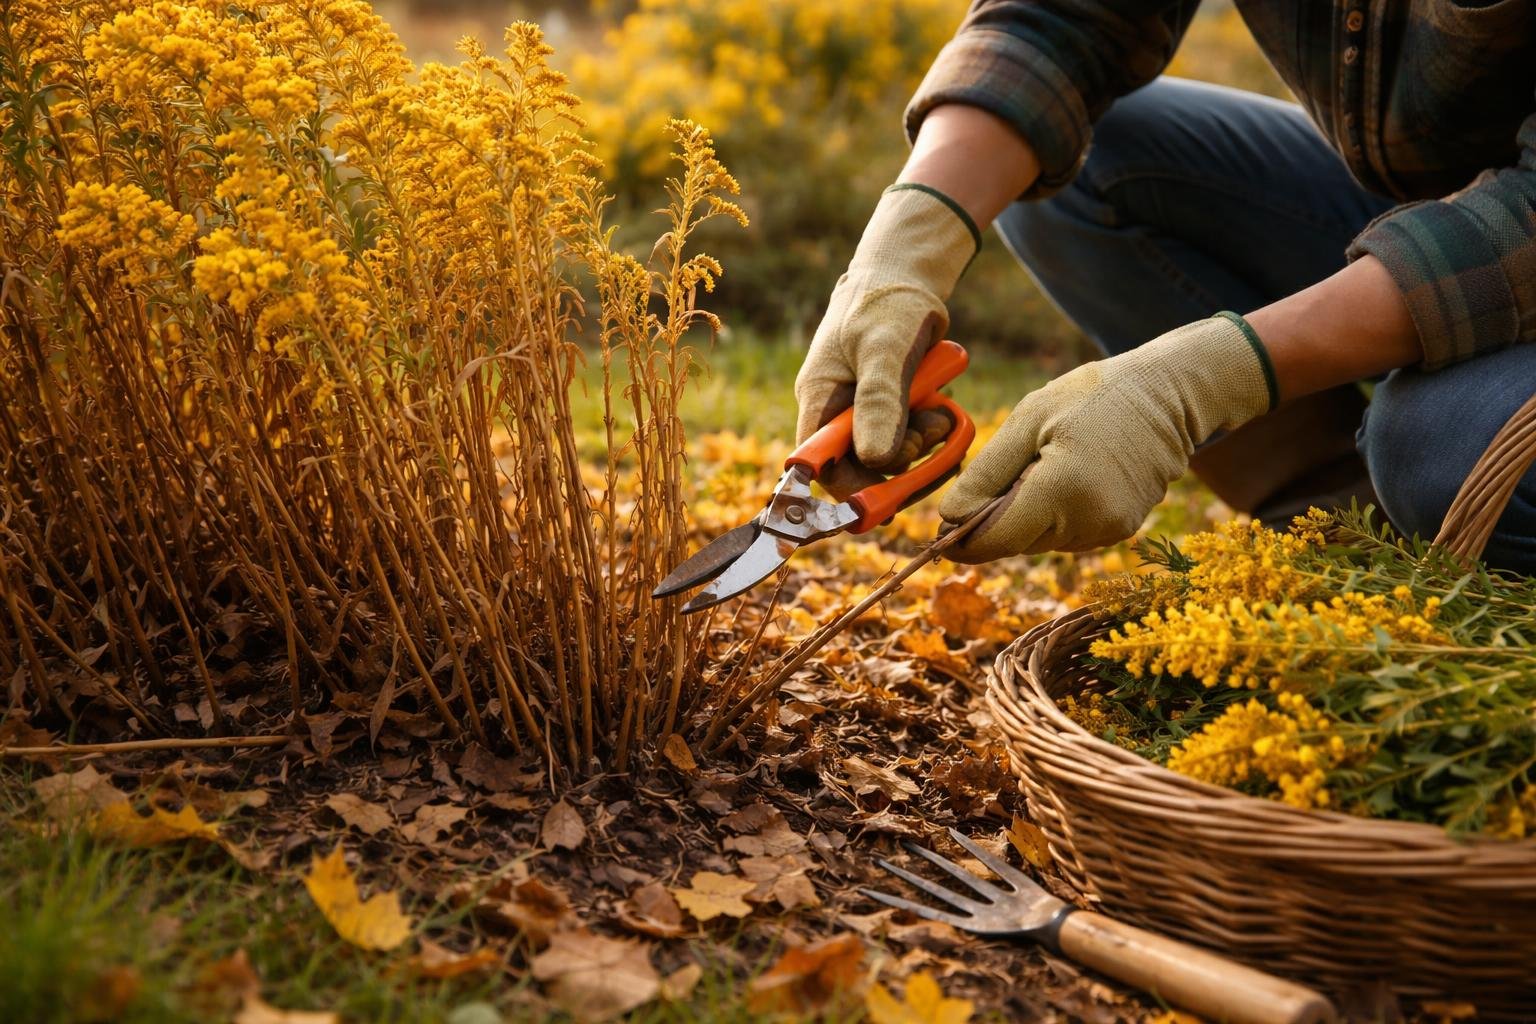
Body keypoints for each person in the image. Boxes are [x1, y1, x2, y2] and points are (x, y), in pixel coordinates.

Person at [794, 0, 1536, 574]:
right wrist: (901, 252)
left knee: (1437, 449)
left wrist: (1204, 377)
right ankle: (1358, 555)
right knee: (1085, 162)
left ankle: (1456, 545)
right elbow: (1062, 19)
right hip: (1434, 208)